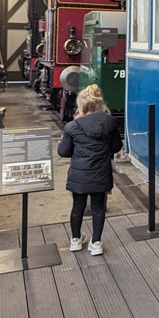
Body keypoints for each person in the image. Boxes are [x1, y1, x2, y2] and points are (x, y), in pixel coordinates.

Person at [57, 84, 123, 256]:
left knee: (77, 206)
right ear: (100, 104)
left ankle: (75, 241)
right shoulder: (110, 123)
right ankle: (96, 244)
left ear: (82, 105)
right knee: (98, 208)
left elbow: (63, 152)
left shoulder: (72, 127)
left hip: (79, 174)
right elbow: (116, 147)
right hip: (101, 173)